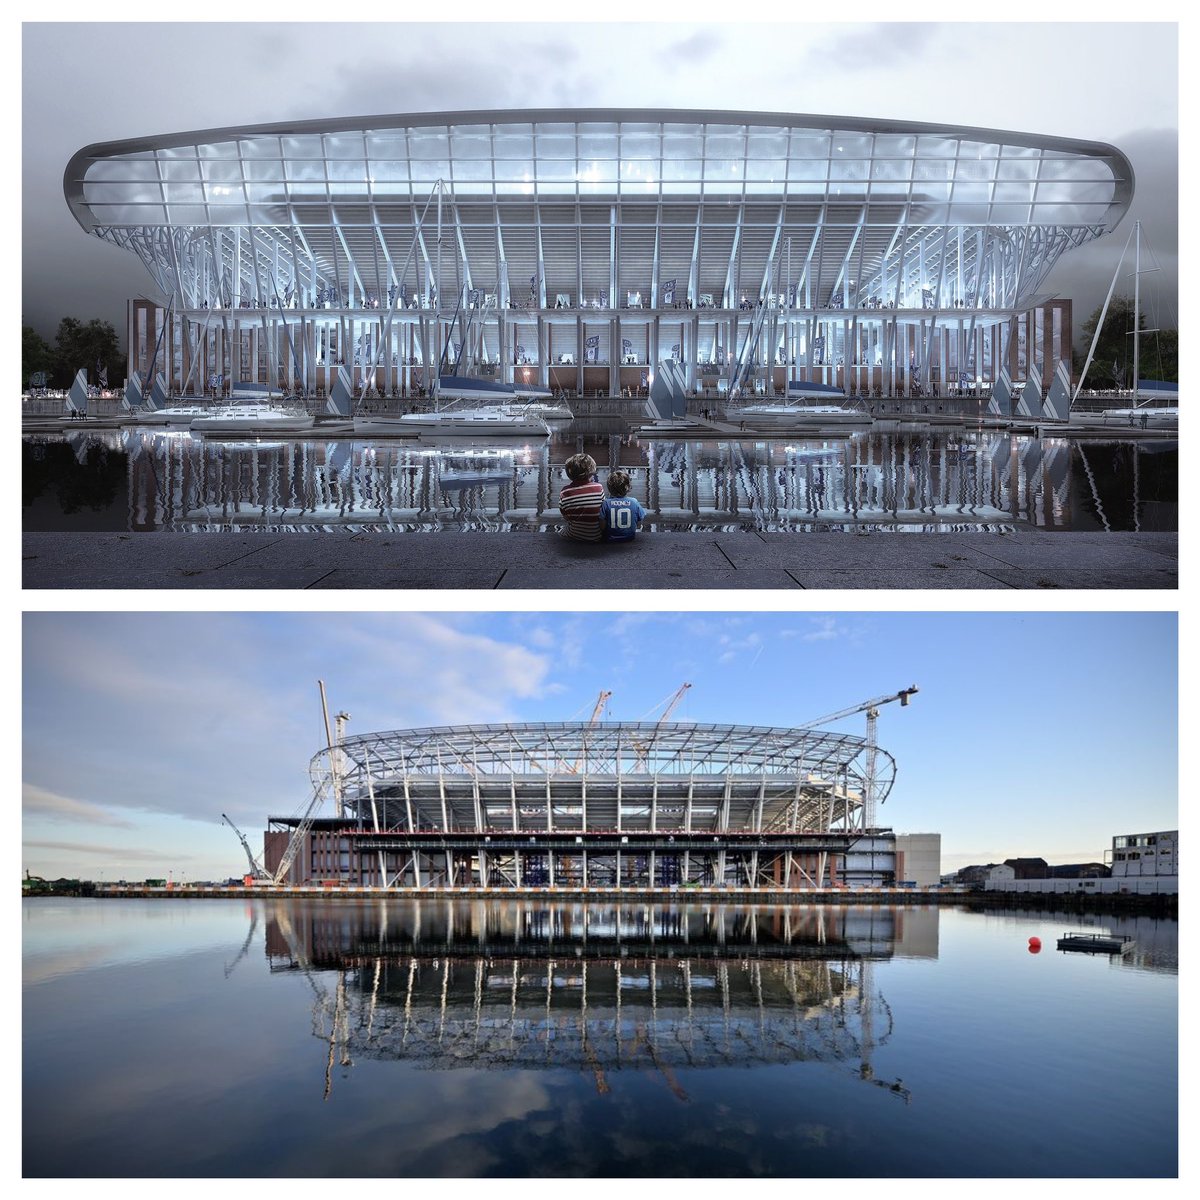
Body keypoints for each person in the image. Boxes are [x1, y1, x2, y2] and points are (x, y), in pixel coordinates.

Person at [558, 452, 604, 541]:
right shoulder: (598, 487)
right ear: (591, 471)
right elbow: (602, 510)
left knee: (561, 532)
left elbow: (566, 516)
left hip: (575, 534)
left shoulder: (565, 492)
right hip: (597, 534)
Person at [600, 469, 646, 542]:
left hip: (610, 538)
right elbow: (639, 523)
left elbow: (602, 526)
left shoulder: (606, 503)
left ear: (609, 488)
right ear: (627, 487)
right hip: (629, 537)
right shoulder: (634, 502)